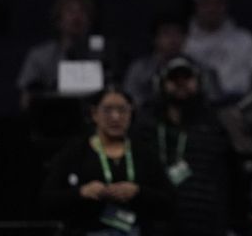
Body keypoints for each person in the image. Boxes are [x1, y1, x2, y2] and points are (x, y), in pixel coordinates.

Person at [134, 56, 252, 235]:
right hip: (158, 224)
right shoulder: (147, 126)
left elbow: (236, 178)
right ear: (161, 84)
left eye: (187, 78)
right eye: (174, 79)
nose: (181, 84)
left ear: (199, 82)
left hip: (208, 223)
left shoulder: (217, 125)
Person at [41, 86, 174, 236]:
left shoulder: (144, 153)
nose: (115, 117)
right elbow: (47, 201)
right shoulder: (74, 152)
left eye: (122, 110)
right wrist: (81, 193)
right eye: (107, 110)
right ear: (94, 114)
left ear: (131, 113)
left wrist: (138, 192)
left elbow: (169, 202)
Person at [16, 0, 114, 110]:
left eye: (83, 11)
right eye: (70, 11)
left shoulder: (104, 55)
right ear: (58, 20)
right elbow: (26, 100)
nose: (77, 16)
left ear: (91, 20)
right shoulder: (39, 56)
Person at [183, 0, 252, 104]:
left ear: (225, 5)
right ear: (196, 6)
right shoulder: (184, 42)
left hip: (242, 106)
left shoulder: (244, 39)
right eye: (206, 3)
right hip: (198, 107)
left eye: (217, 3)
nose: (211, 9)